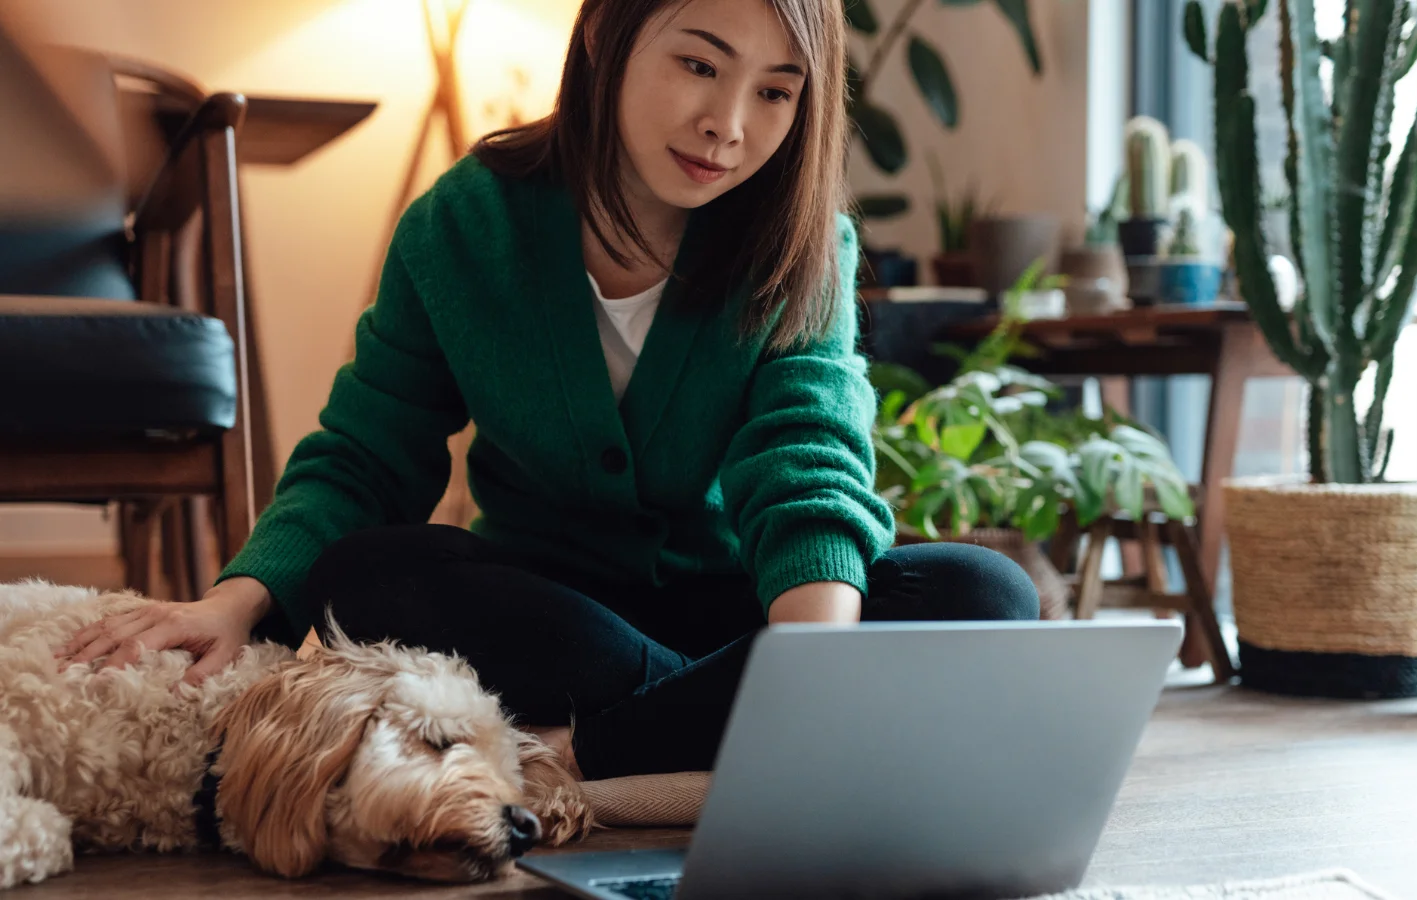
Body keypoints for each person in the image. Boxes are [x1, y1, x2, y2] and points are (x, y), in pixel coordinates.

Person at [58, 0, 1038, 781]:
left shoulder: (804, 243)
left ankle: (596, 753)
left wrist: (812, 663)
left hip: (749, 607)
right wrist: (234, 603)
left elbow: (809, 458)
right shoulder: (463, 224)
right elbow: (367, 453)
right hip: (551, 616)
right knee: (366, 574)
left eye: (776, 93)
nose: (727, 126)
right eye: (698, 64)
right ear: (608, 33)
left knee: (982, 592)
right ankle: (724, 722)